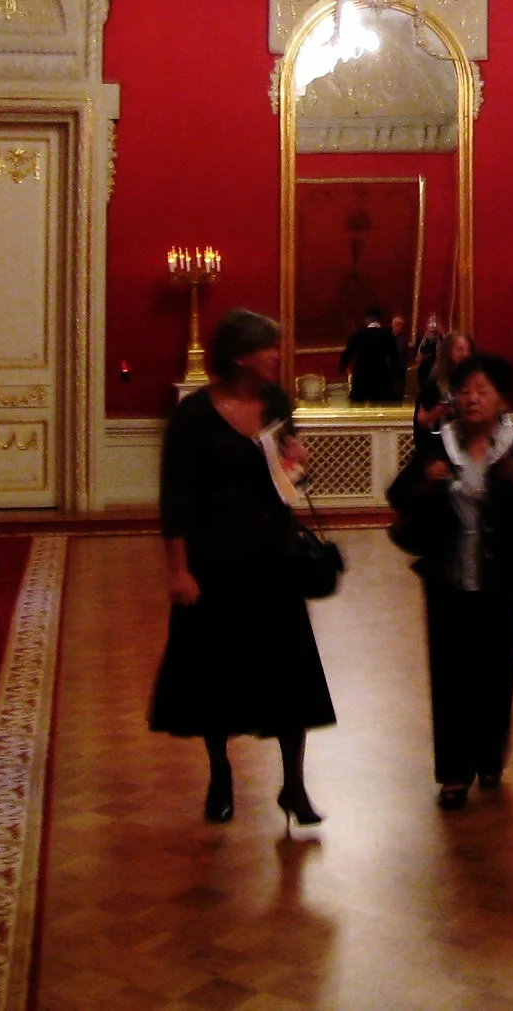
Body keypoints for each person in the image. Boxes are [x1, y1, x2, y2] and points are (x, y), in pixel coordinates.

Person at [149, 308, 334, 830]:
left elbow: (290, 479)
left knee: (288, 673)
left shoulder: (275, 403)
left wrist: (300, 461)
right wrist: (178, 570)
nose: (277, 354)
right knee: (215, 677)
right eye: (268, 347)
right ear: (237, 355)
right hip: (213, 564)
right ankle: (219, 776)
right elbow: (175, 499)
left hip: (274, 560)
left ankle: (294, 786)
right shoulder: (194, 416)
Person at [386, 355, 513, 809]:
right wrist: (426, 480)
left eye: (481, 390)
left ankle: (490, 760)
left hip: (502, 578)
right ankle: (454, 774)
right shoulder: (439, 446)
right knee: (450, 675)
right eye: (464, 391)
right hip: (447, 578)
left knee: (497, 673)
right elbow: (396, 494)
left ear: (500, 398)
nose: (471, 399)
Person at [339, 304, 402, 403]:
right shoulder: (387, 334)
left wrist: (342, 369)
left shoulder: (359, 334)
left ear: (366, 319)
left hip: (362, 377)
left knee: (358, 409)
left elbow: (348, 353)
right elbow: (395, 357)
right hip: (381, 377)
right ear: (378, 318)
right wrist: (396, 377)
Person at [415, 328, 473, 431]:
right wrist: (439, 411)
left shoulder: (473, 381)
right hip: (440, 441)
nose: (465, 354)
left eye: (468, 350)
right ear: (448, 352)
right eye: (460, 349)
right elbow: (421, 420)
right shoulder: (434, 382)